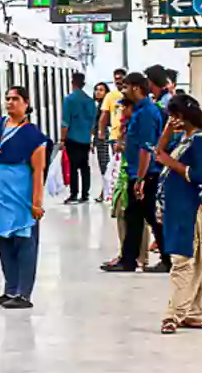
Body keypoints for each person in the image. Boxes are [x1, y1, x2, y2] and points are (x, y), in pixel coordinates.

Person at [154, 94, 202, 334]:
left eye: (173, 116)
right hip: (180, 209)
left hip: (193, 211)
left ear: (184, 116)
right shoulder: (186, 138)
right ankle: (195, 313)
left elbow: (200, 175)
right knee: (200, 262)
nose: (171, 119)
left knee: (184, 261)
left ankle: (173, 315)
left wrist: (170, 163)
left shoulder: (201, 141)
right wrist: (167, 131)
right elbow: (159, 153)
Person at [0, 86, 51, 309]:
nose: (10, 103)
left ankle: (24, 293)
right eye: (7, 99)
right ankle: (10, 289)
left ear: (26, 103)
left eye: (15, 99)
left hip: (21, 198)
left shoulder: (34, 137)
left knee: (24, 243)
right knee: (3, 241)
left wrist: (37, 203)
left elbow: (38, 172)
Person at [102, 72, 170, 273]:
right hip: (137, 174)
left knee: (151, 218)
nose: (122, 91)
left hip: (146, 175)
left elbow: (146, 148)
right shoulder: (140, 111)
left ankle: (168, 259)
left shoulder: (147, 112)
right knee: (134, 218)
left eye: (125, 87)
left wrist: (140, 178)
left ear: (136, 88)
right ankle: (128, 259)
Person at [60, 72, 97, 204]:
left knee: (73, 166)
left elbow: (65, 122)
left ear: (72, 82)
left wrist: (62, 140)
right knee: (84, 166)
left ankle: (74, 193)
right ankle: (85, 194)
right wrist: (90, 138)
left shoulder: (69, 100)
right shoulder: (90, 101)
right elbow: (93, 123)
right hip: (85, 139)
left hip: (72, 138)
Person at [92, 82, 112, 201]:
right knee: (102, 164)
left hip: (103, 138)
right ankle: (104, 191)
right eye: (96, 90)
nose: (98, 92)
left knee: (105, 165)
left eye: (101, 90)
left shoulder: (104, 107)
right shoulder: (98, 105)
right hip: (99, 139)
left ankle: (105, 192)